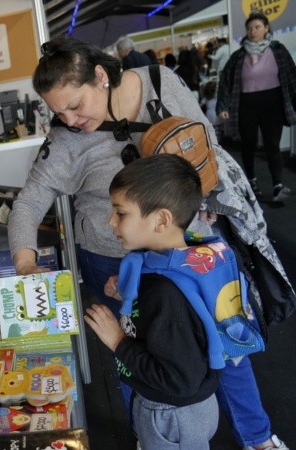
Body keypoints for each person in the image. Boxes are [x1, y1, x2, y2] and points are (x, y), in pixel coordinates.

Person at [8, 36, 294, 450]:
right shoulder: (65, 139)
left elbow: (205, 144)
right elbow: (30, 200)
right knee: (133, 361)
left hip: (186, 250)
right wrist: (24, 263)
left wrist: (203, 198)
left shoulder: (161, 83)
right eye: (57, 111)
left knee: (225, 342)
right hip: (111, 260)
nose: (68, 119)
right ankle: (150, 436)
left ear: (101, 77)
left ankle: (258, 437)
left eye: (75, 105)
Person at [85, 154, 221, 450]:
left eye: (121, 213)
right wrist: (128, 296)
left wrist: (118, 341)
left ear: (161, 220)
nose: (111, 222)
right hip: (182, 409)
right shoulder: (181, 260)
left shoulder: (165, 293)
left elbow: (178, 380)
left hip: (172, 416)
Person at [217, 11, 296, 203]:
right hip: (246, 105)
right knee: (247, 145)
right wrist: (222, 105)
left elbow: (292, 76)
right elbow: (225, 81)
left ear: (266, 28)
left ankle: (277, 186)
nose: (253, 31)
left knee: (272, 144)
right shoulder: (238, 56)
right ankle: (251, 182)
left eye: (257, 27)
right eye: (249, 28)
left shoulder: (278, 50)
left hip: (272, 103)